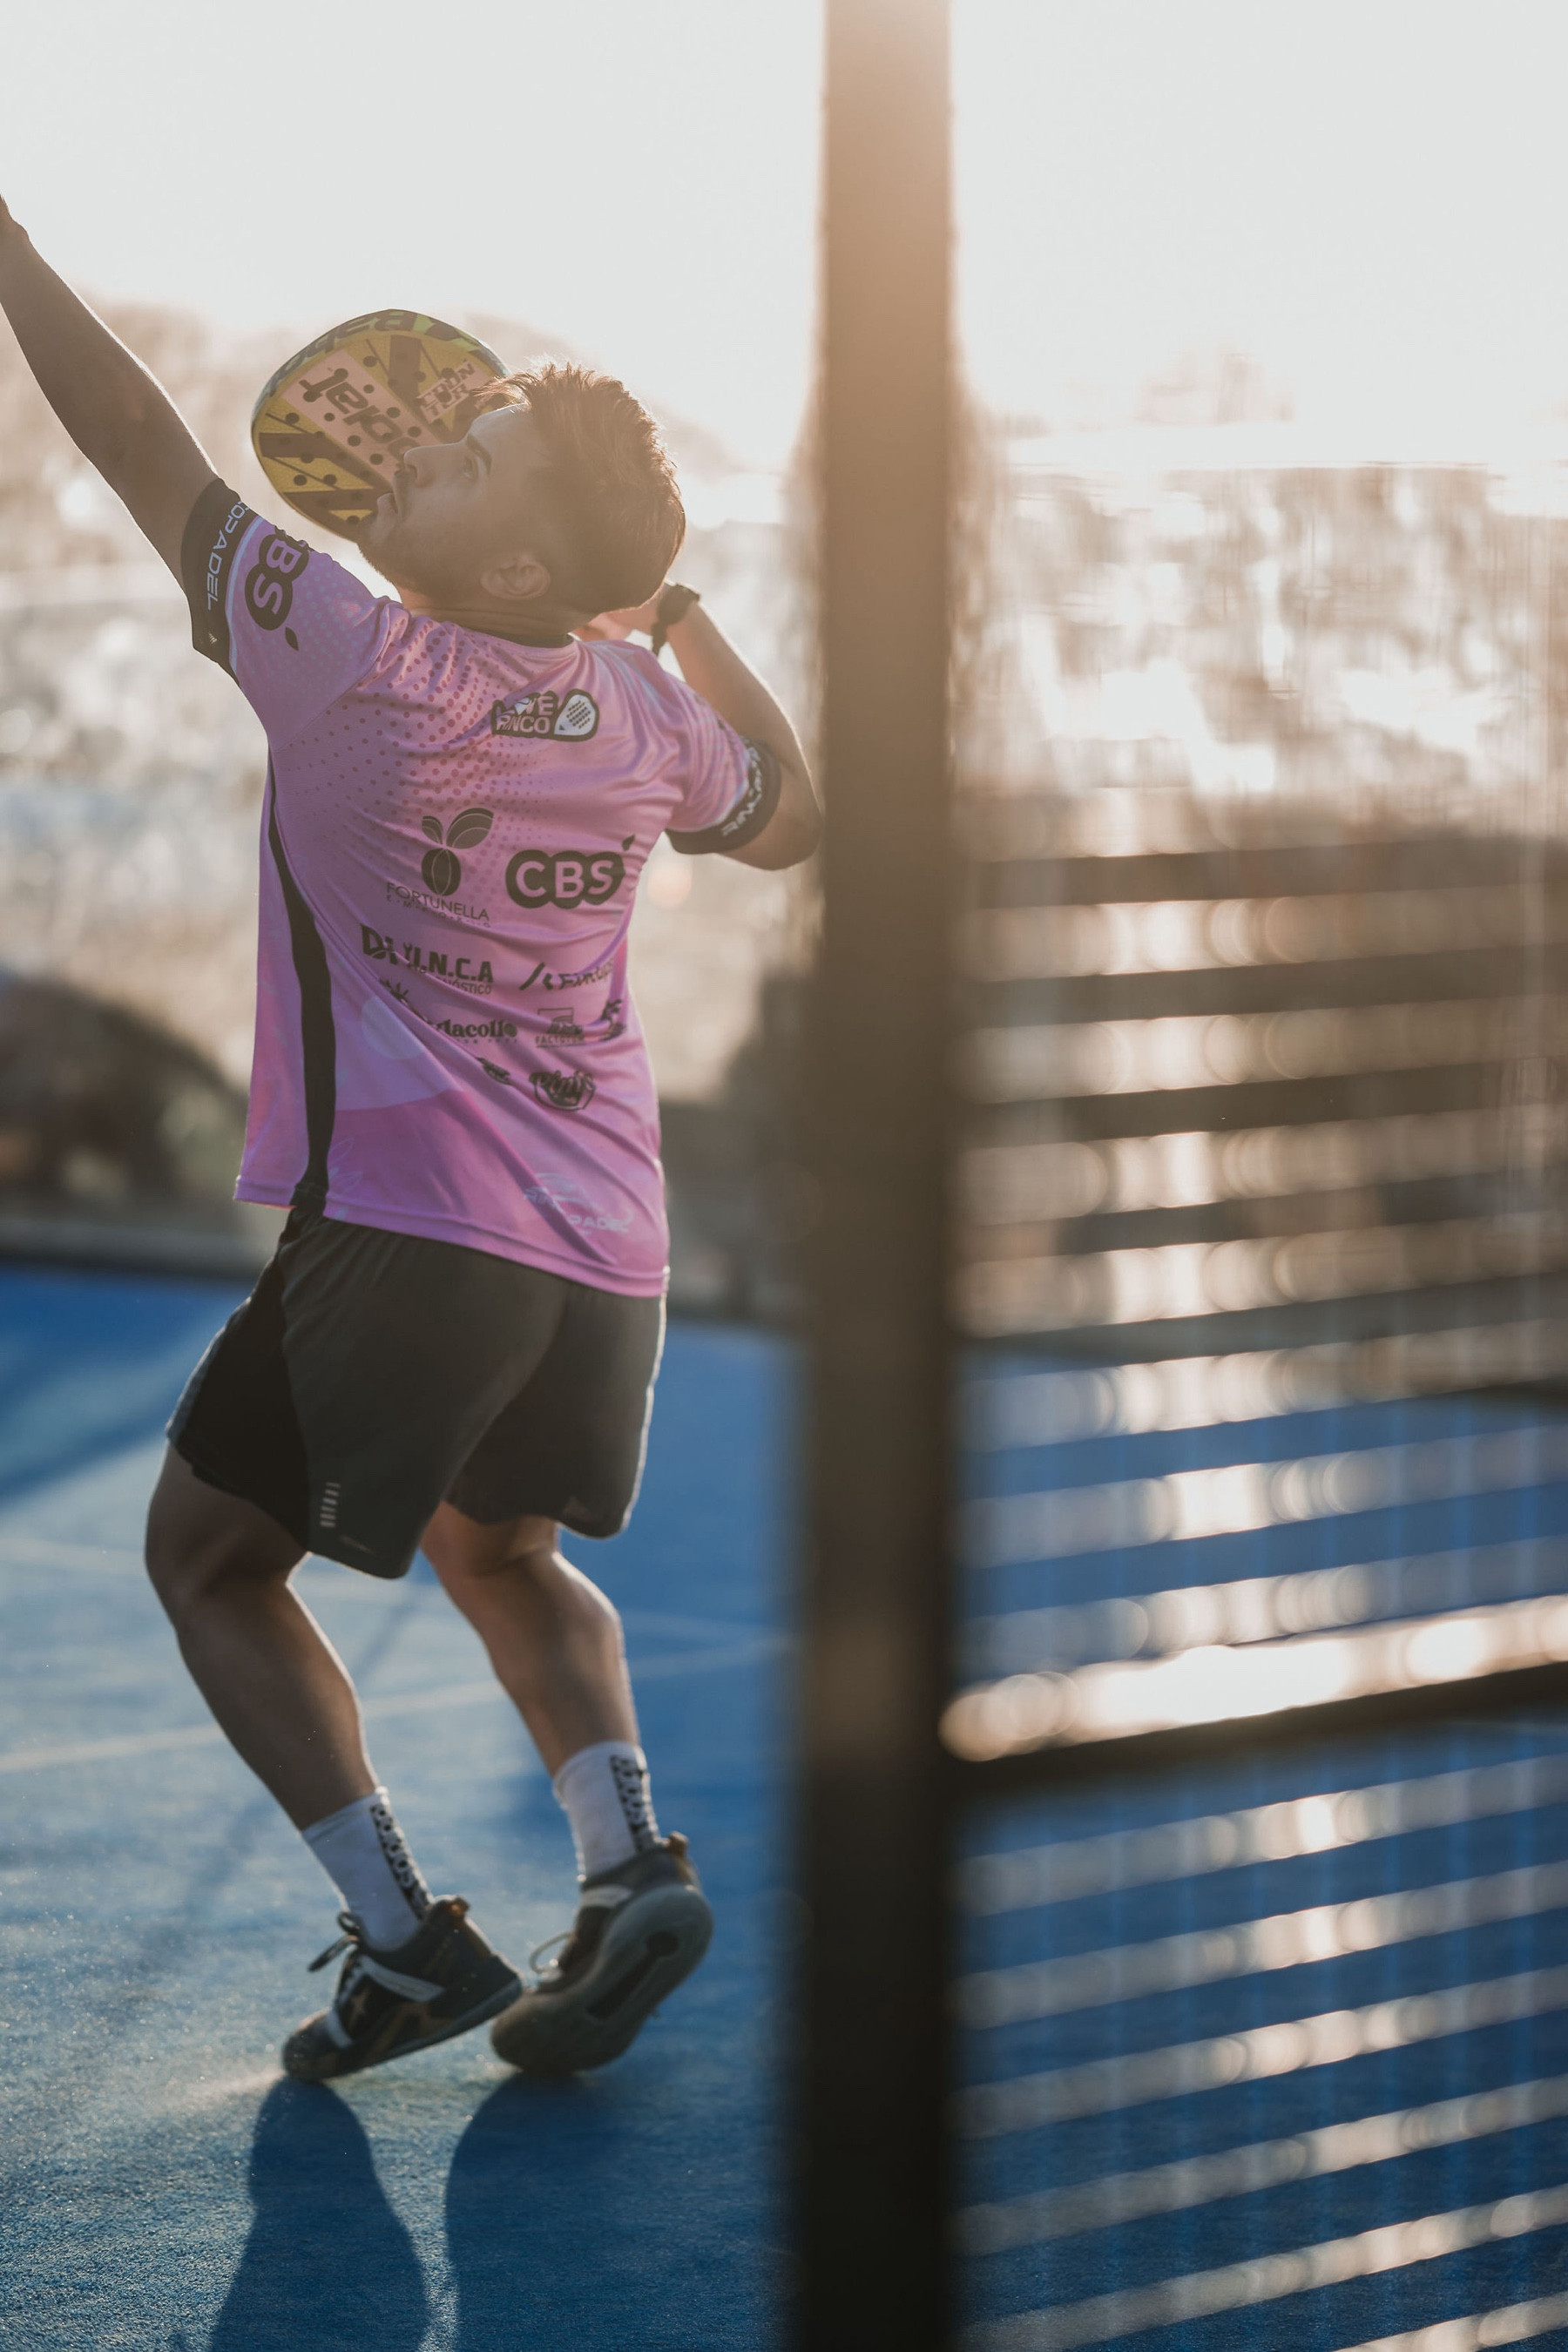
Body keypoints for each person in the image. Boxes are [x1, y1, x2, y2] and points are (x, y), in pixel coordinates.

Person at [0, 197, 819, 2081]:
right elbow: (791, 814)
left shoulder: (345, 650)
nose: (412, 458)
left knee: (207, 1563)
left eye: (461, 458)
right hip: (608, 1256)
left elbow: (136, 442)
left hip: (407, 1233)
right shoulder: (640, 711)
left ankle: (402, 1942)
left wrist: (16, 261)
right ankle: (630, 1864)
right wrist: (671, 615)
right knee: (501, 1547)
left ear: (516, 554)